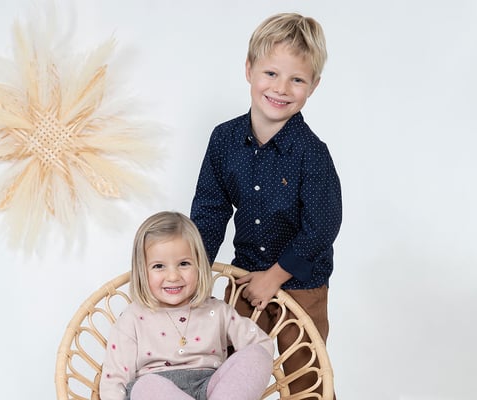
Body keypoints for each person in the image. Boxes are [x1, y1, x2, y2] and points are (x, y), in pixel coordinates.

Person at [190, 13, 342, 395]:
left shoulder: (312, 154)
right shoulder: (224, 140)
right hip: (245, 278)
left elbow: (322, 227)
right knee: (231, 370)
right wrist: (196, 274)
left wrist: (275, 276)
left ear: (314, 85)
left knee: (305, 377)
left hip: (302, 283)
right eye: (271, 73)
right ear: (249, 70)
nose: (281, 88)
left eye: (297, 79)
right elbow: (210, 210)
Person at [100, 211, 274, 400]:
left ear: (199, 265)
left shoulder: (217, 310)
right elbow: (114, 380)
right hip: (157, 391)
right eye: (158, 266)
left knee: (257, 354)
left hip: (211, 390)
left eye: (184, 263)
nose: (173, 276)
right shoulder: (133, 317)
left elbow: (261, 345)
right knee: (144, 386)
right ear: (142, 271)